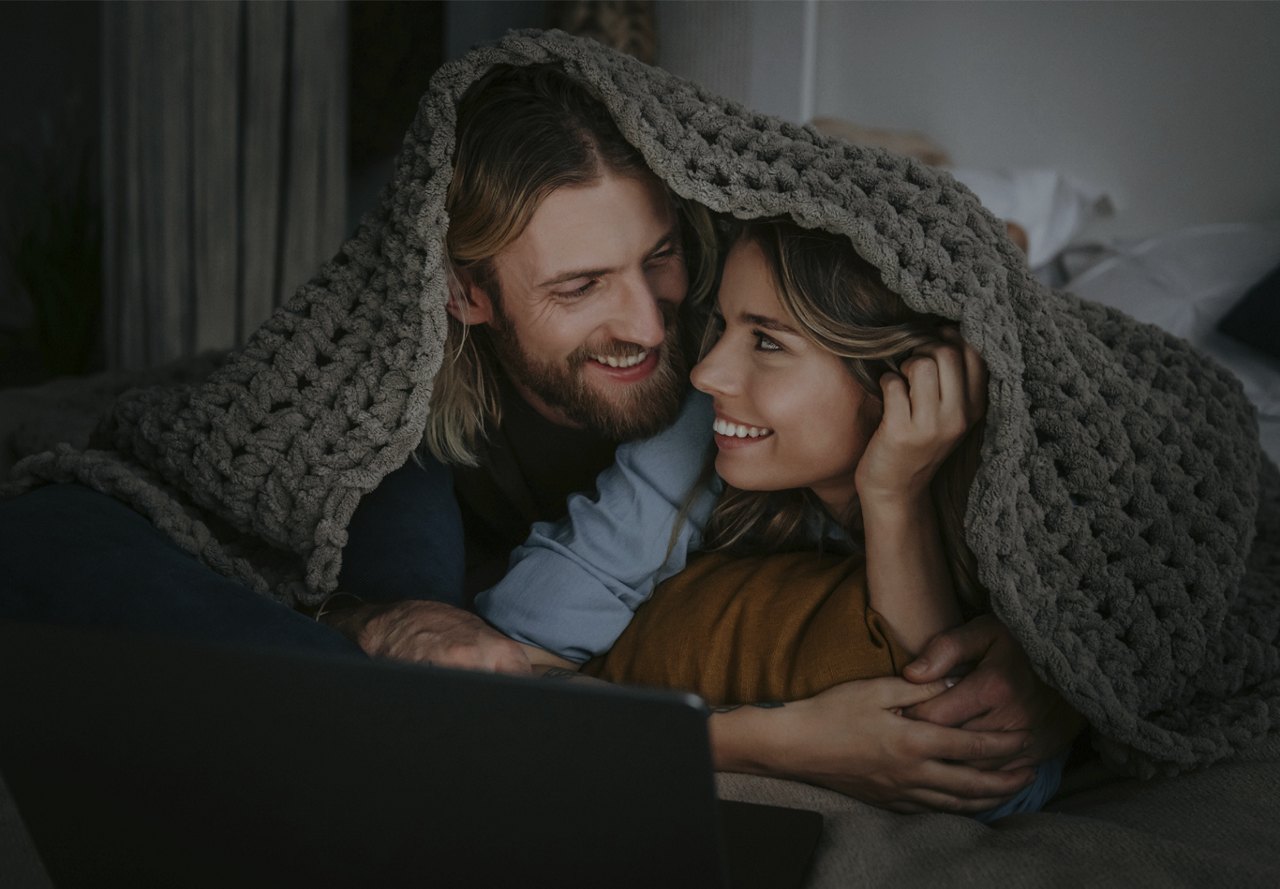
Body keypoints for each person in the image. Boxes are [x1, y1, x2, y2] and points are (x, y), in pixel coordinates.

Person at [0, 60, 1075, 812]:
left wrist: (1052, 673)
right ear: (468, 295)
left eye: (658, 257)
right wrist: (383, 616)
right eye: (579, 286)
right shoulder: (404, 399)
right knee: (53, 534)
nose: (659, 329)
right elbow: (203, 491)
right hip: (432, 461)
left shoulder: (741, 340)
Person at [487, 218, 1067, 817]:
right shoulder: (697, 432)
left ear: (910, 382)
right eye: (721, 323)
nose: (705, 373)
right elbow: (501, 670)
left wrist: (895, 493)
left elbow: (973, 772)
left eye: (768, 342)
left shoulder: (1035, 484)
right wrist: (767, 743)